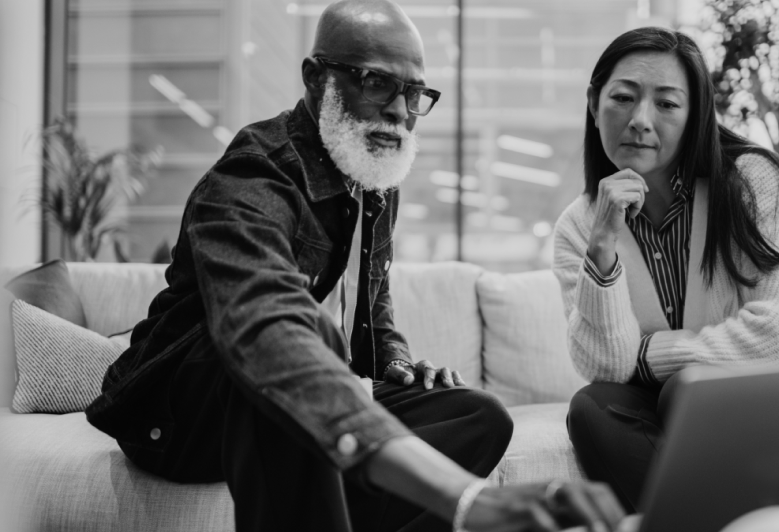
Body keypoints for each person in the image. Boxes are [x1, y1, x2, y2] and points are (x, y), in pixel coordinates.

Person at [85, 1, 626, 531]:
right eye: (375, 82)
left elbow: (375, 300)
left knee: (478, 415)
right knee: (298, 339)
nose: (399, 109)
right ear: (317, 78)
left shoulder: (373, 177)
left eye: (415, 92)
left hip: (312, 388)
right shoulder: (252, 177)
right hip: (183, 418)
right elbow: (266, 325)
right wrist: (464, 499)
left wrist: (394, 360)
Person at [552, 27, 779, 514]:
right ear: (593, 101)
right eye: (623, 98)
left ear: (695, 115)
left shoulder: (753, 181)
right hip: (675, 407)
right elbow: (608, 367)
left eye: (667, 104)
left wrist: (656, 360)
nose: (640, 121)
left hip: (776, 389)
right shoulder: (578, 227)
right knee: (591, 407)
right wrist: (603, 244)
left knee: (680, 392)